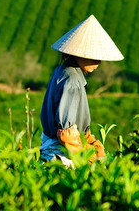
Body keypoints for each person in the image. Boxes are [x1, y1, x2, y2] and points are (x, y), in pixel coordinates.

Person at [40, 15, 124, 165]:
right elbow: (66, 134)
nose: (98, 61)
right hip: (62, 154)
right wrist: (87, 157)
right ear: (79, 54)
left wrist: (93, 144)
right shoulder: (72, 80)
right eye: (93, 56)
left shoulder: (63, 71)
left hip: (58, 147)